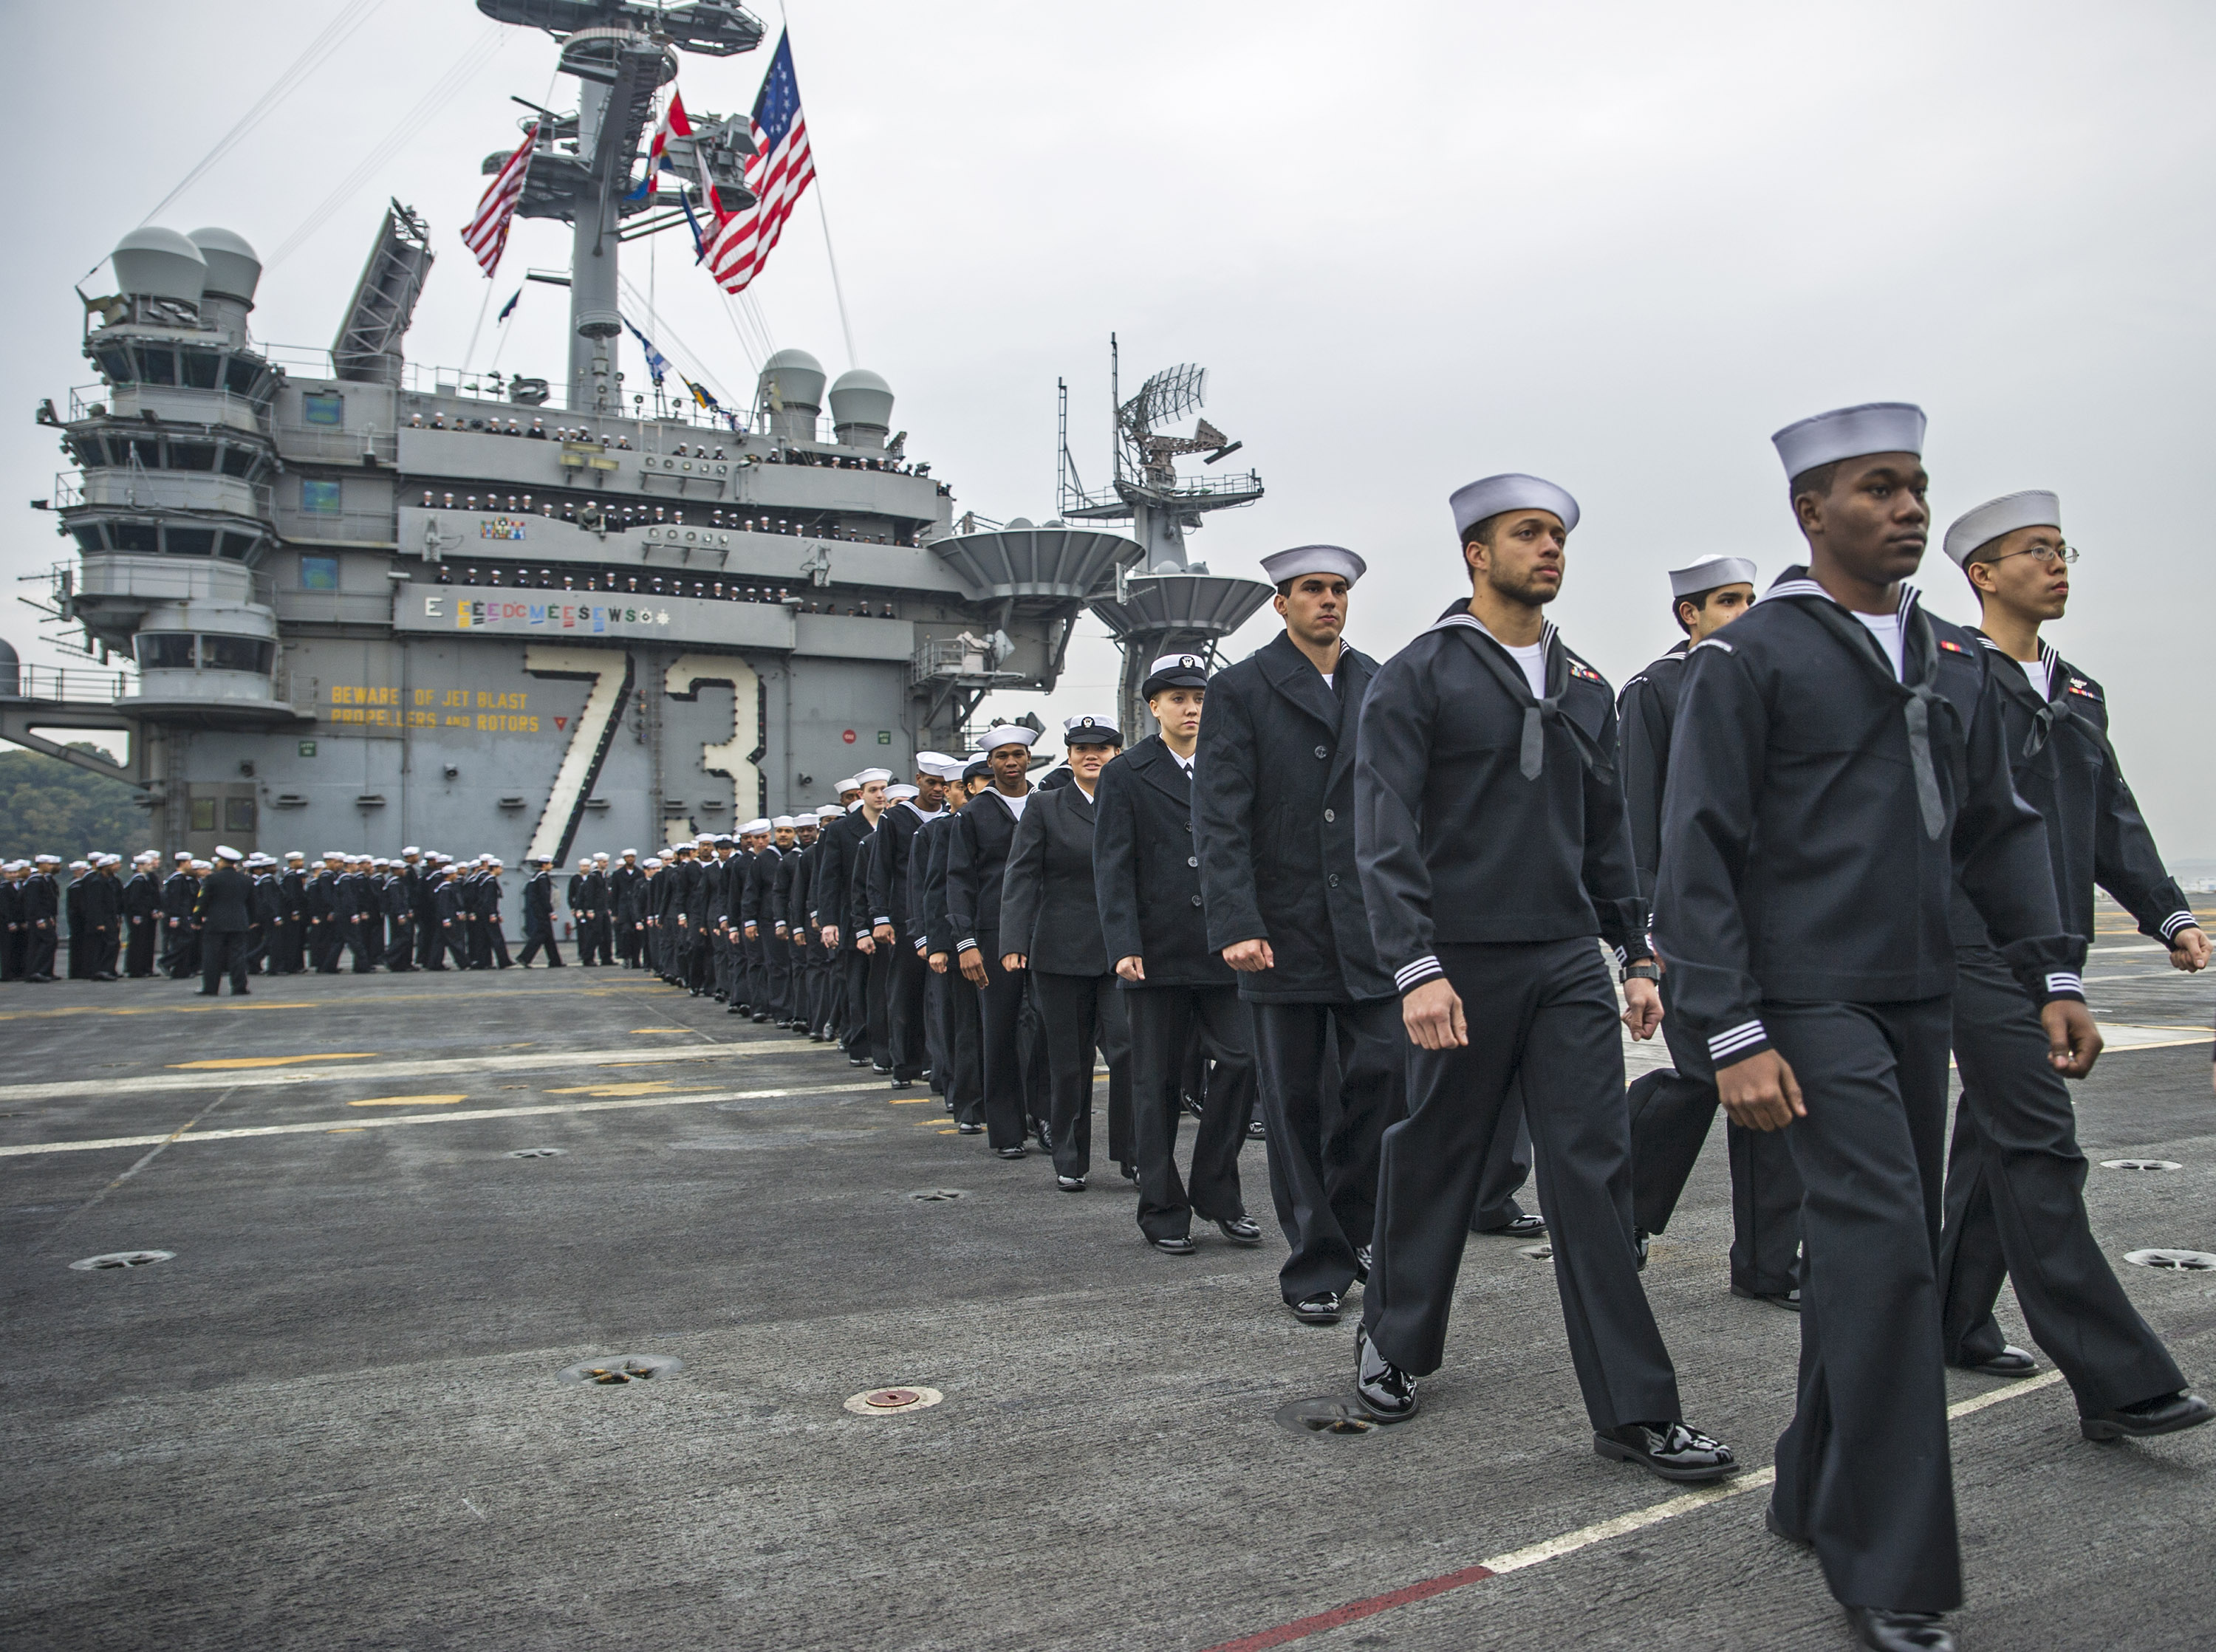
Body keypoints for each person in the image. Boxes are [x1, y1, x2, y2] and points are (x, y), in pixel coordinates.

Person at [1656, 405, 2100, 1652]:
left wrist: (2052, 970)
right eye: (1877, 489)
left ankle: (1812, 1483)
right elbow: (1697, 849)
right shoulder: (1754, 660)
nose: (1906, 507)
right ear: (1811, 512)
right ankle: (1887, 1562)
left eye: (1916, 487)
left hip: (1920, 999)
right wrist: (1729, 1028)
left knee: (1868, 1257)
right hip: (1807, 1001)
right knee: (1892, 1253)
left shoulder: (1950, 658)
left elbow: (2002, 825)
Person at [1350, 473, 1734, 1501]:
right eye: (1529, 534)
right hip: (1459, 959)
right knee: (1435, 1154)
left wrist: (1637, 953)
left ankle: (1636, 1410)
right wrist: (1415, 963)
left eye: (1559, 535)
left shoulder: (1587, 684)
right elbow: (1382, 831)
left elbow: (1609, 833)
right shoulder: (1418, 675)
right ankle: (1394, 1340)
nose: (1550, 549)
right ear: (1477, 553)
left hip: (1566, 956)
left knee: (1594, 1174)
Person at [1928, 490, 2211, 1433]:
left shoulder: (2078, 689)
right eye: (2035, 550)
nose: (2057, 565)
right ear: (1983, 573)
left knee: (1996, 1135)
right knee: (2043, 1140)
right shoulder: (1947, 674)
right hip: (1969, 939)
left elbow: (2112, 817)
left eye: (2063, 549)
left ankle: (1952, 1321)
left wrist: (2168, 913)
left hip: (2057, 949)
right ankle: (2116, 1377)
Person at [1194, 544, 1402, 1323]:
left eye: (1339, 589)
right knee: (1293, 1102)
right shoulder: (1240, 688)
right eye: (1312, 589)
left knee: (1385, 1074)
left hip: (1368, 929)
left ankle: (1355, 1224)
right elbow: (1217, 814)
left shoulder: (1378, 681)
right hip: (1279, 927)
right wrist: (1237, 921)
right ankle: (1315, 1261)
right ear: (1281, 603)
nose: (1328, 601)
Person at [1616, 554, 1804, 1301]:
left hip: (1765, 924)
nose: (1746, 612)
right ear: (1687, 613)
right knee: (1704, 1072)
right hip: (1687, 924)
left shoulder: (1762, 681)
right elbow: (1639, 817)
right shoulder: (1653, 691)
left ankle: (1765, 1261)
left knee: (1770, 1080)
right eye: (1729, 601)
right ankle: (1615, 1204)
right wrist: (1649, 934)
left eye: (1752, 599)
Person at [1094, 658, 1263, 1250]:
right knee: (1155, 1083)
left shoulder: (1231, 762)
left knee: (1244, 1061)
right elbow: (1112, 865)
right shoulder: (1126, 773)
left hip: (1224, 948)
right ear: (1154, 707)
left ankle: (1216, 1191)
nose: (1192, 707)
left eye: (1199, 697)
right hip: (1157, 951)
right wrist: (1123, 946)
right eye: (1178, 698)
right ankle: (1163, 1209)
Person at [1002, 716, 1134, 1190]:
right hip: (1060, 950)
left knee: (1128, 1051)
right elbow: (1021, 875)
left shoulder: (1133, 801)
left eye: (1102, 747)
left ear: (1118, 752)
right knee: (1069, 1059)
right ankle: (1070, 1157)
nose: (1091, 754)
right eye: (1081, 748)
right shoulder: (1045, 806)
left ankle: (1133, 1154)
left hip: (1124, 951)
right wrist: (1014, 941)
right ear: (1070, 755)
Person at [947, 731, 1049, 1156]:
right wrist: (965, 941)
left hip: (1046, 930)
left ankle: (1046, 1117)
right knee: (1001, 1028)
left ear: (1029, 759)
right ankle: (1007, 1131)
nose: (1011, 762)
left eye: (1018, 755)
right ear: (990, 763)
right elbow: (958, 880)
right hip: (992, 933)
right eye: (1002, 756)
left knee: (1047, 1027)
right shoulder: (973, 814)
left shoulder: (1047, 804)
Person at [870, 766, 947, 1084]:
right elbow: (880, 869)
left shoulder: (950, 817)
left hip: (940, 917)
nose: (938, 790)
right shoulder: (896, 818)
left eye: (944, 785)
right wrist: (881, 917)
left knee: (938, 996)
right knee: (904, 991)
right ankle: (903, 1064)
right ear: (919, 780)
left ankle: (934, 1063)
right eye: (931, 783)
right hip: (905, 918)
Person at [196, 846, 255, 996]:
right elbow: (253, 902)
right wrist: (253, 920)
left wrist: (197, 918)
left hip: (216, 923)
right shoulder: (246, 880)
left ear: (222, 862)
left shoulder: (212, 879)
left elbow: (203, 901)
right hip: (239, 922)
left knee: (212, 956)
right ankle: (239, 986)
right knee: (238, 956)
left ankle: (211, 987)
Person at [21, 856, 61, 981]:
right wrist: (40, 919)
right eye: (48, 864)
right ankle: (38, 970)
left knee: (39, 943)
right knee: (49, 940)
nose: (51, 867)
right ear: (40, 865)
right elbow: (34, 903)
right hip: (38, 918)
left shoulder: (42, 879)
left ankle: (40, 971)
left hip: (44, 916)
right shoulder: (35, 881)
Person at [123, 852, 162, 978]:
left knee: (143, 941)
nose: (151, 866)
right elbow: (135, 900)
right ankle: (135, 969)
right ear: (140, 866)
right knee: (137, 942)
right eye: (148, 864)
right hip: (139, 915)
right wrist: (137, 915)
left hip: (144, 914)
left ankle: (142, 968)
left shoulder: (144, 879)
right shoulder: (138, 880)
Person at [519, 855, 563, 966]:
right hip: (542, 911)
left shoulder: (537, 876)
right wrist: (551, 911)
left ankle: (555, 961)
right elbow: (545, 896)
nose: (551, 866)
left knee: (548, 937)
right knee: (540, 935)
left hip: (538, 909)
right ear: (545, 865)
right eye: (550, 864)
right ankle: (525, 957)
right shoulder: (543, 877)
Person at [567, 857, 601, 967]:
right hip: (582, 909)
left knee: (591, 934)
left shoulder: (592, 878)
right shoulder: (576, 879)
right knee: (582, 933)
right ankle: (583, 953)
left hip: (590, 909)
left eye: (587, 866)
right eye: (583, 866)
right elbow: (572, 895)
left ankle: (587, 954)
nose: (585, 868)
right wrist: (574, 908)